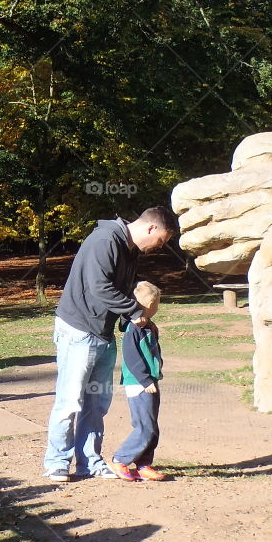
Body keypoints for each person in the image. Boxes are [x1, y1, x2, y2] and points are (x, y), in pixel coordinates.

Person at [43, 205, 177, 482]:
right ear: (151, 228)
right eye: (161, 240)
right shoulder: (105, 240)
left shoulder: (129, 250)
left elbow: (121, 290)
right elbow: (100, 287)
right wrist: (135, 312)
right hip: (78, 330)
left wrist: (136, 318)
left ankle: (90, 463)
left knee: (97, 403)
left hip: (103, 333)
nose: (159, 247)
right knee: (70, 401)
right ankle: (57, 461)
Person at [111, 281, 165, 482]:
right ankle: (120, 459)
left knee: (152, 426)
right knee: (144, 427)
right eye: (156, 303)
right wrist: (144, 380)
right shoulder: (133, 330)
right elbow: (131, 358)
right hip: (138, 383)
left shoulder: (148, 326)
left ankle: (144, 464)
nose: (157, 307)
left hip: (150, 381)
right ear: (147, 304)